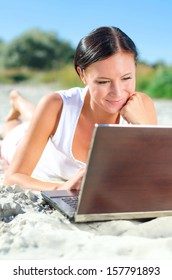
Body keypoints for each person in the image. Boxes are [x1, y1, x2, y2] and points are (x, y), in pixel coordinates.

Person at [1, 26, 157, 191]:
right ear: (82, 75)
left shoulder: (142, 106)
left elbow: (155, 172)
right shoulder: (56, 104)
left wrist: (145, 129)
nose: (117, 93)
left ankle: (19, 103)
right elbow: (12, 178)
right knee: (14, 130)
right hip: (31, 151)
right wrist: (62, 188)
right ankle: (16, 101)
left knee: (34, 120)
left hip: (47, 129)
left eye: (126, 78)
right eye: (103, 81)